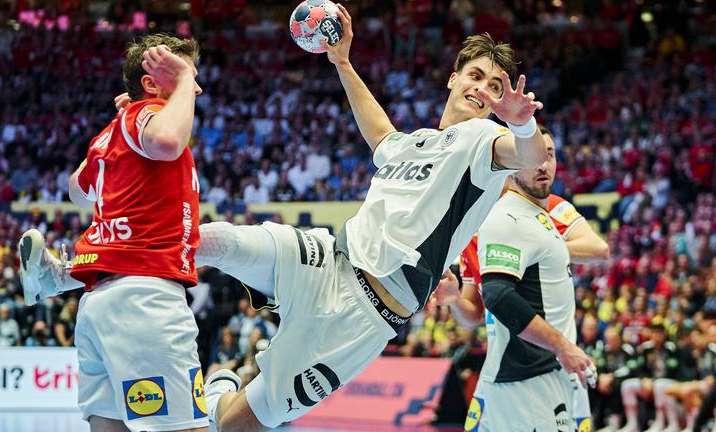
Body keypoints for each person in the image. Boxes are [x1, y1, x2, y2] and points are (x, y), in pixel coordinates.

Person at [196, 5, 595, 430]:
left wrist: (522, 125)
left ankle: (218, 388)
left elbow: (528, 155)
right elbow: (380, 134)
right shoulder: (416, 141)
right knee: (219, 241)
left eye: (495, 86)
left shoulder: (486, 141)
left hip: (364, 319)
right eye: (475, 76)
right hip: (328, 261)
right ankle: (132, 266)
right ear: (453, 79)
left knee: (234, 423)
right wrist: (342, 63)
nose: (483, 89)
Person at [17, 34, 208, 432]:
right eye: (185, 75)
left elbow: (77, 192)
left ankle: (57, 277)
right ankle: (56, 277)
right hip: (146, 302)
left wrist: (120, 139)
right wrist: (177, 86)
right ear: (152, 83)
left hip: (98, 306)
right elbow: (168, 140)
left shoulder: (110, 134)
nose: (195, 87)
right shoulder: (148, 116)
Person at [434, 125, 608, 431]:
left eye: (550, 155)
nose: (543, 164)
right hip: (520, 365)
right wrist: (455, 302)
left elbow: (600, 249)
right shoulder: (492, 223)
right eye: (535, 156)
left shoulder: (550, 209)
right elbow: (488, 304)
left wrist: (547, 250)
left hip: (544, 363)